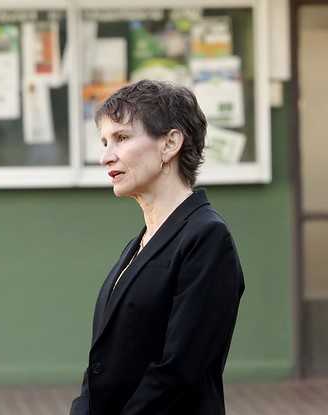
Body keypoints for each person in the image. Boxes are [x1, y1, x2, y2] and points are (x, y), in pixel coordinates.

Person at [70, 80, 245, 415]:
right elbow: (104, 362)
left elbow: (179, 372)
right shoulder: (140, 242)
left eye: (121, 138)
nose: (106, 156)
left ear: (170, 144)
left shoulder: (207, 237)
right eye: (105, 142)